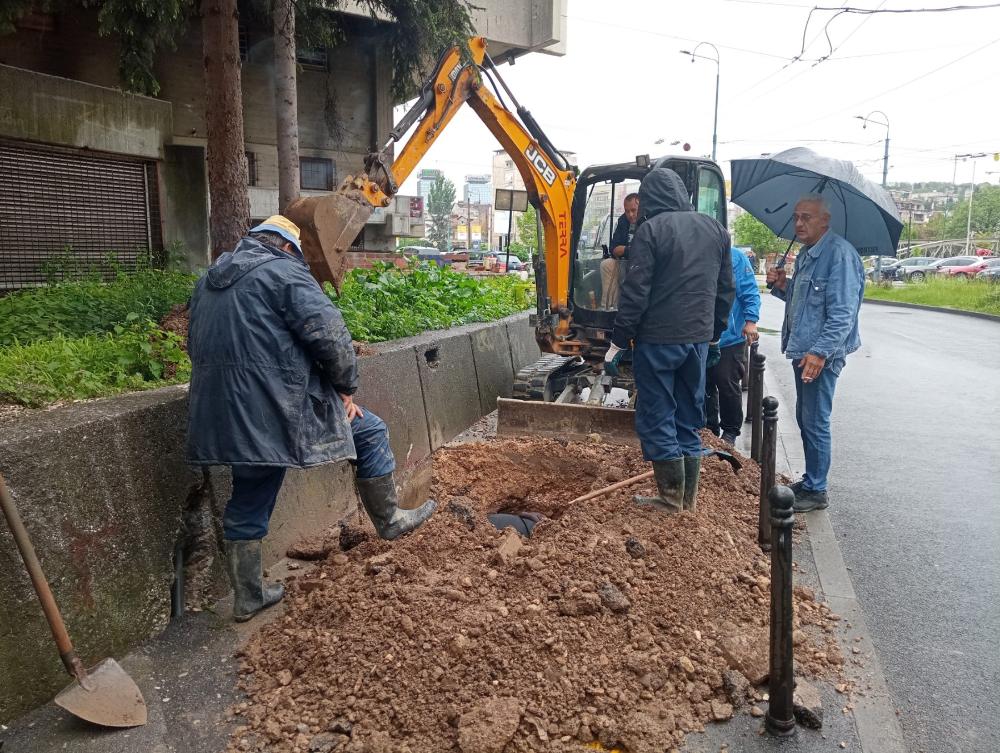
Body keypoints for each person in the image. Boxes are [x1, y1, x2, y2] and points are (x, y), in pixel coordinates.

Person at [185, 215, 437, 621]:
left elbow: (192, 343)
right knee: (369, 430)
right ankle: (390, 519)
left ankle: (248, 596)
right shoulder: (283, 271)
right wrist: (345, 388)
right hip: (275, 406)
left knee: (251, 487)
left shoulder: (209, 279)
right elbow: (329, 333)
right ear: (287, 247)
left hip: (218, 409)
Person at [604, 169, 734, 514]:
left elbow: (635, 293)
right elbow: (724, 290)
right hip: (697, 340)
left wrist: (618, 343)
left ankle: (670, 498)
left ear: (649, 199)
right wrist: (716, 335)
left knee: (658, 413)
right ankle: (687, 500)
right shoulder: (716, 230)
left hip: (658, 341)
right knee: (689, 415)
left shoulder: (650, 231)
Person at [766, 196, 864, 512]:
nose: (798, 224)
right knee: (805, 417)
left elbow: (842, 313)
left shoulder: (839, 256)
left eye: (806, 217)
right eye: (796, 217)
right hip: (803, 351)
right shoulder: (809, 253)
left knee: (815, 419)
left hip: (820, 355)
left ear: (825, 220)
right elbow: (804, 303)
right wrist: (782, 286)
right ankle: (810, 481)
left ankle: (817, 489)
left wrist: (820, 353)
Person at [706, 247, 761, 444]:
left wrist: (751, 321)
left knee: (726, 381)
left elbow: (750, 292)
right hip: (700, 334)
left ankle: (730, 430)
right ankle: (708, 429)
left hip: (729, 336)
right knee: (704, 384)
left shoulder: (735, 257)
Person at [599, 193, 639, 309]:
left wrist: (624, 250)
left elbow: (647, 251)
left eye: (633, 210)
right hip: (624, 264)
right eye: (627, 211)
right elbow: (614, 248)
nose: (630, 215)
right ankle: (609, 308)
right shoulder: (623, 221)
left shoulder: (649, 221)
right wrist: (629, 250)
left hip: (642, 265)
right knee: (607, 264)